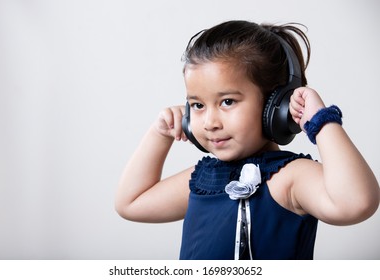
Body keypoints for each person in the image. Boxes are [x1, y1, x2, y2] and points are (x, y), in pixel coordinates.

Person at [115, 20, 379, 260]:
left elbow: (356, 203)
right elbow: (131, 202)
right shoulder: (203, 179)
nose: (209, 122)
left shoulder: (291, 178)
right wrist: (160, 134)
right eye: (197, 105)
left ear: (276, 106)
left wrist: (321, 121)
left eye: (227, 101)